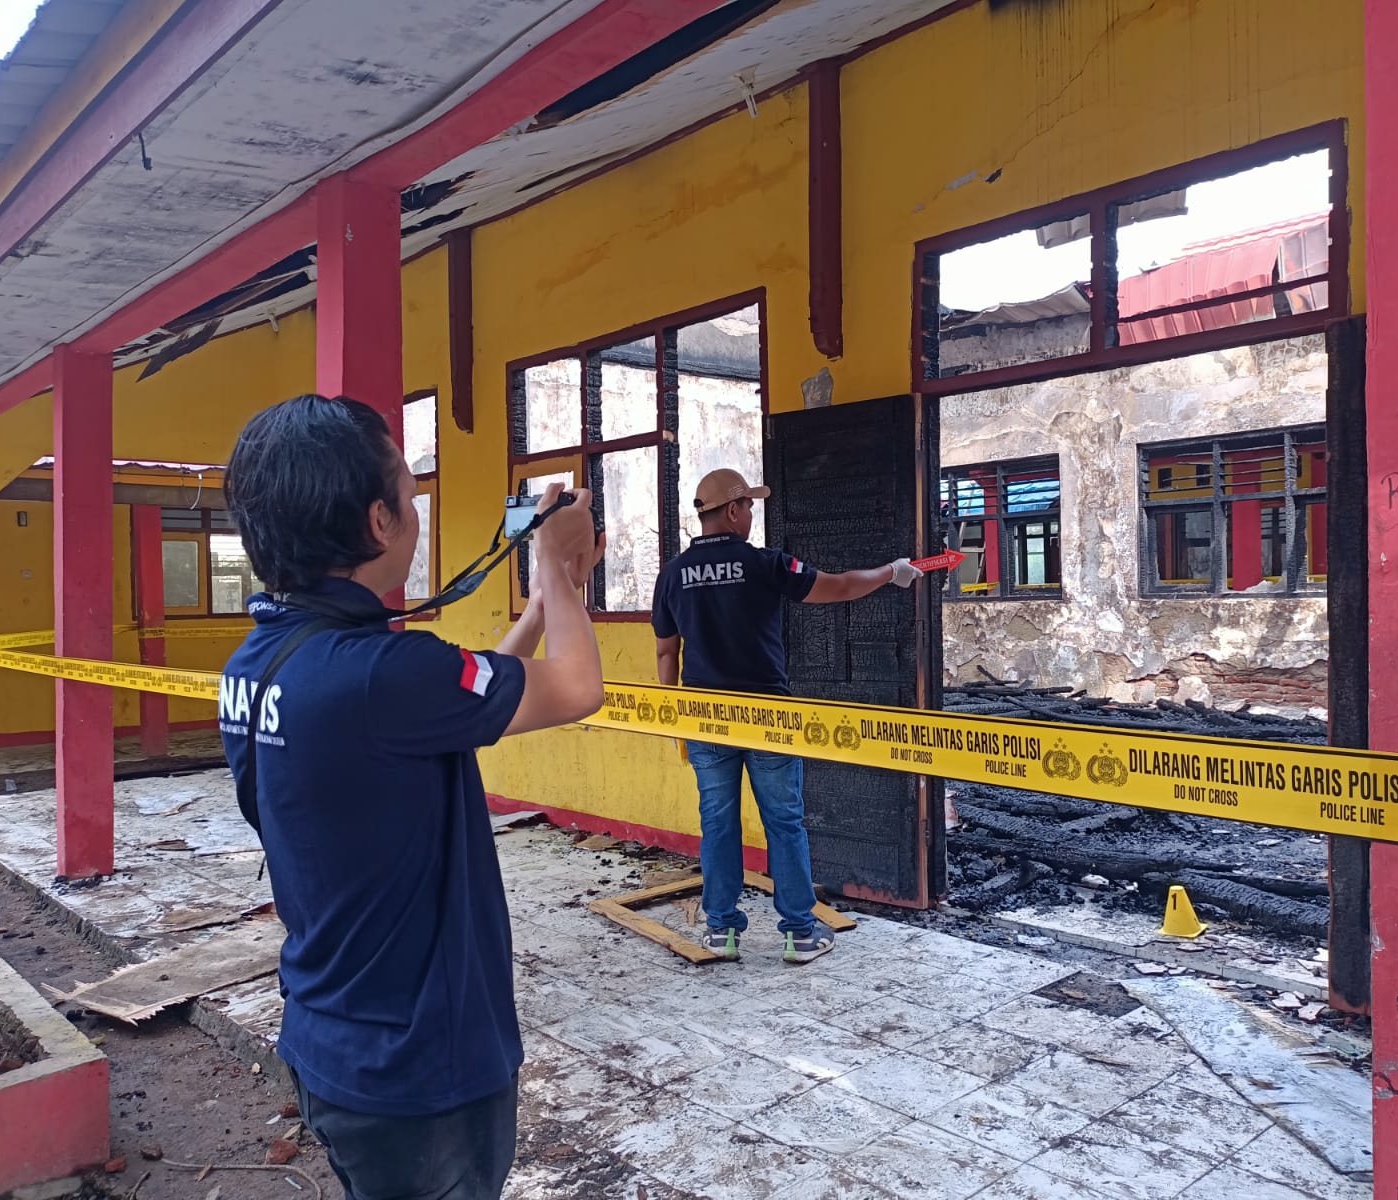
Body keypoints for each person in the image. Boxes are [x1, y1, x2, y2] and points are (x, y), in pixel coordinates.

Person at [219, 394, 604, 1200]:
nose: (416, 505)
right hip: (419, 1070)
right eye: (408, 487)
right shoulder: (381, 675)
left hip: (333, 1037)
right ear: (379, 521)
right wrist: (552, 562)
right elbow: (576, 688)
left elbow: (449, 710)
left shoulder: (261, 663)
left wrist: (544, 606)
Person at [651, 468, 923, 964]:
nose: (751, 515)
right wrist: (891, 572)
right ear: (733, 509)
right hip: (767, 716)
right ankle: (800, 932)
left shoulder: (673, 574)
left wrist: (673, 718)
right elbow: (839, 587)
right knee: (784, 821)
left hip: (702, 717)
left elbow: (667, 653)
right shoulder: (763, 564)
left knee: (717, 824)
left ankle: (721, 931)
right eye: (749, 507)